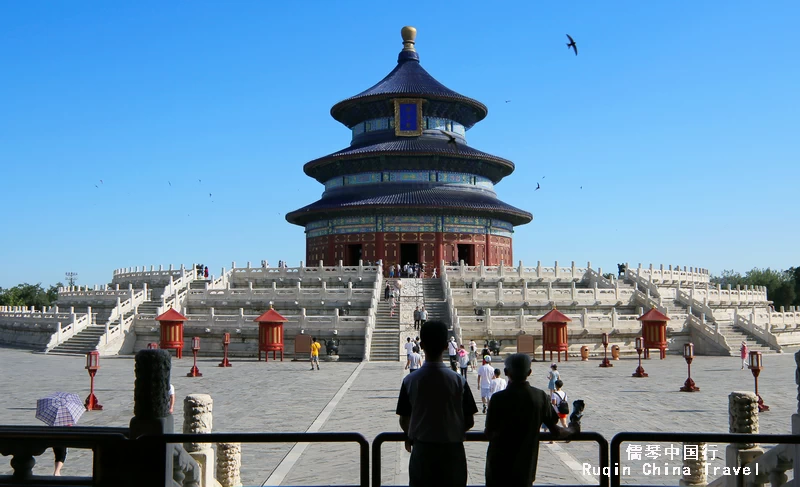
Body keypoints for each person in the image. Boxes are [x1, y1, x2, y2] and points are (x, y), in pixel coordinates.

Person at [396, 320, 478, 487]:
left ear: (422, 345)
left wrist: (410, 434)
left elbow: (404, 419)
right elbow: (469, 420)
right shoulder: (459, 380)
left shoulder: (410, 380)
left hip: (422, 451)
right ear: (446, 346)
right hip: (452, 451)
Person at [484, 353, 577, 487]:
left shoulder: (497, 399)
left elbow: (488, 431)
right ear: (529, 372)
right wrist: (572, 428)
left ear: (506, 372)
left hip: (498, 465)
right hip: (525, 467)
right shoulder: (540, 397)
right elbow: (555, 429)